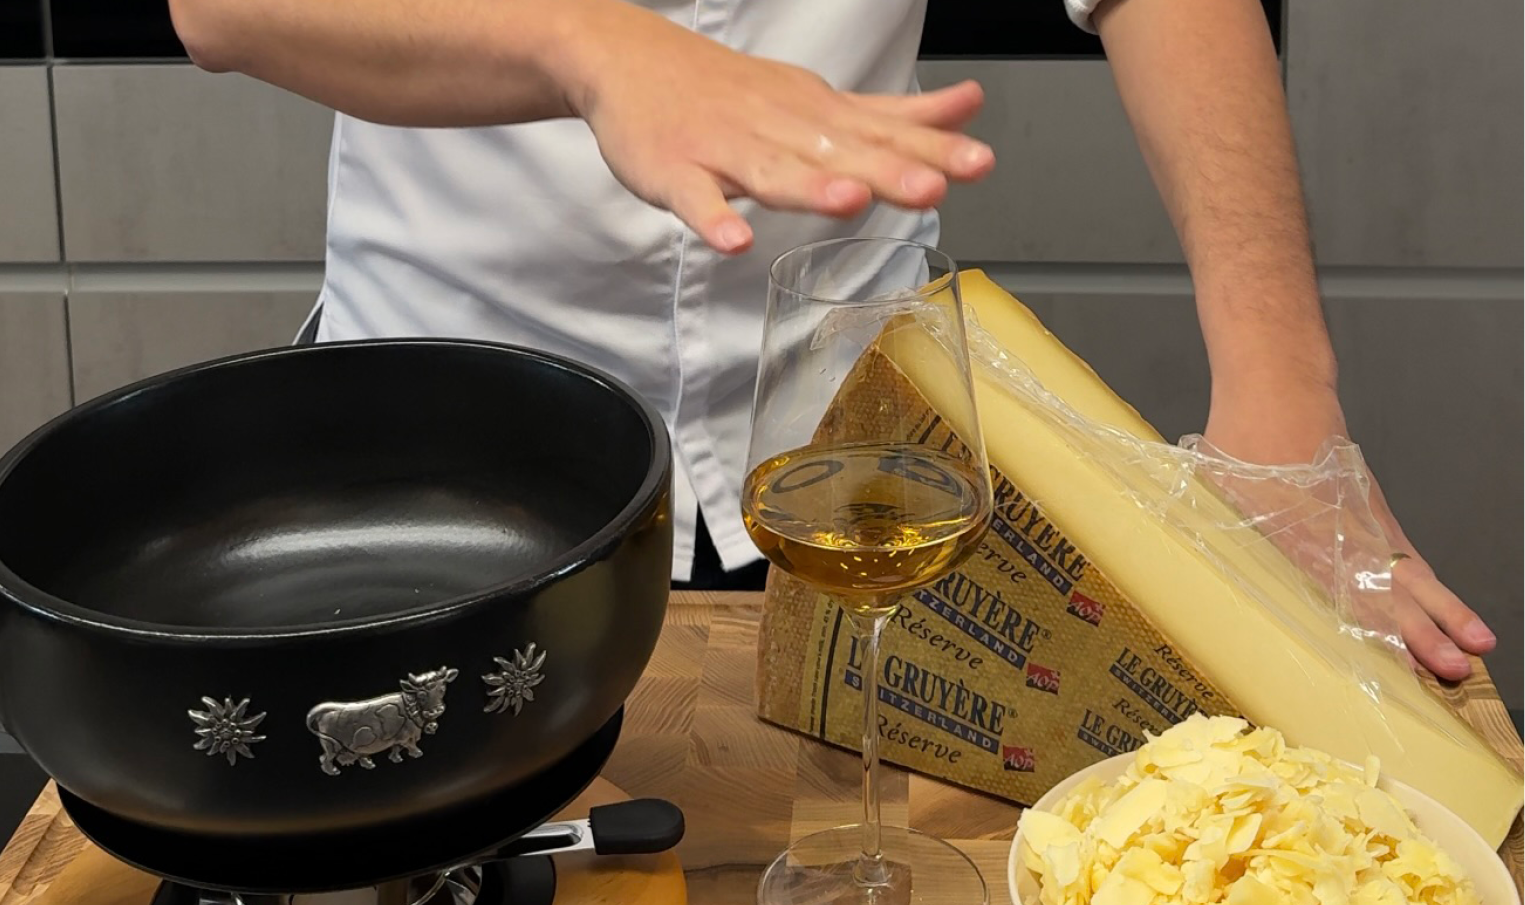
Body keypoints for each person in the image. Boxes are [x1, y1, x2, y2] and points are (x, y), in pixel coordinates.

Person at [168, 0, 1495, 681]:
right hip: (443, 444)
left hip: (845, 445)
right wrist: (590, 44)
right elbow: (217, 9)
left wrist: (1282, 398)